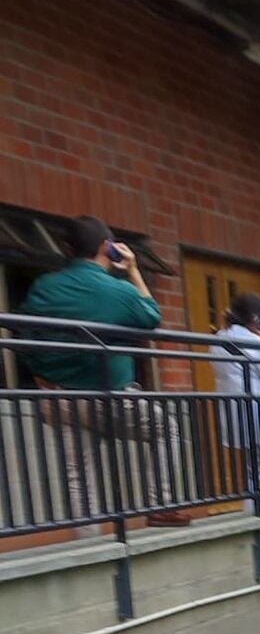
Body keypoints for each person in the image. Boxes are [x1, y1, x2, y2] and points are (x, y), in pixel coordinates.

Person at [20, 213, 187, 526]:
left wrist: (43, 376)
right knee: (167, 429)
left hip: (59, 398)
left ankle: (91, 543)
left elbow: (26, 341)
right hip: (112, 396)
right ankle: (159, 506)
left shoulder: (43, 287)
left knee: (78, 475)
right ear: (107, 247)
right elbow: (151, 317)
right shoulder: (118, 290)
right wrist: (134, 271)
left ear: (67, 248)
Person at [211, 293, 260, 500]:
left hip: (236, 410)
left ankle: (256, 511)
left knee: (254, 472)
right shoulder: (252, 341)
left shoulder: (219, 338)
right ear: (256, 318)